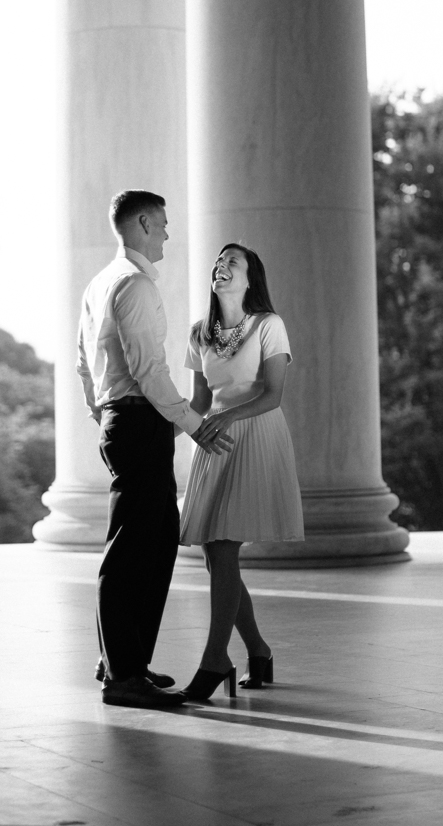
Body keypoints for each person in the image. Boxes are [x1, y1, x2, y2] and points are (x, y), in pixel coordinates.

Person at [77, 190, 233, 709]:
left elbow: (84, 365)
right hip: (137, 419)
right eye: (162, 224)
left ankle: (124, 662)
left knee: (146, 541)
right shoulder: (135, 285)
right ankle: (124, 675)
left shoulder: (100, 283)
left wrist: (105, 416)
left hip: (125, 420)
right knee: (137, 549)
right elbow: (149, 371)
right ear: (143, 223)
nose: (167, 232)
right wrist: (193, 424)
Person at [179, 243, 304, 701]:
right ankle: (258, 649)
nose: (221, 266)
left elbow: (273, 394)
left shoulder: (270, 325)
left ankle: (215, 659)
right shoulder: (198, 333)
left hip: (255, 434)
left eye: (232, 261)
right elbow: (197, 403)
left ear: (251, 278)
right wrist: (173, 436)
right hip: (214, 443)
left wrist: (227, 418)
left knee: (225, 547)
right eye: (218, 261)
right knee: (217, 556)